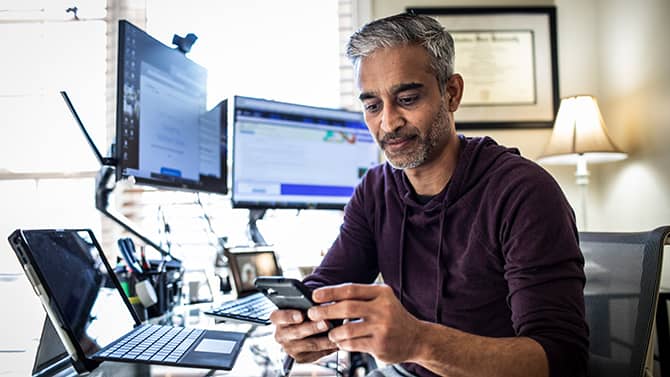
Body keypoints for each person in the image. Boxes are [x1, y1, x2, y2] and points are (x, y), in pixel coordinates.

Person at [269, 12, 588, 377]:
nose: (388, 123)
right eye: (372, 106)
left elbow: (563, 360)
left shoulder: (524, 193)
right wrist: (300, 325)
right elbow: (327, 286)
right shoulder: (374, 191)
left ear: (451, 93)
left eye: (406, 98)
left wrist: (419, 341)